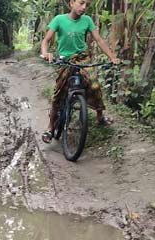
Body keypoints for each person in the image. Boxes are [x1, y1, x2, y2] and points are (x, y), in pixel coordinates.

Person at [40, 0, 121, 143]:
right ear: (72, 3)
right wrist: (46, 53)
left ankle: (100, 117)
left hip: (83, 59)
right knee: (58, 93)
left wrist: (112, 57)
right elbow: (45, 41)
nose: (84, 7)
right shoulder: (59, 20)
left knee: (95, 85)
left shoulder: (87, 20)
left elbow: (99, 40)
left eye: (87, 5)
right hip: (65, 60)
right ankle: (50, 127)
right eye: (81, 3)